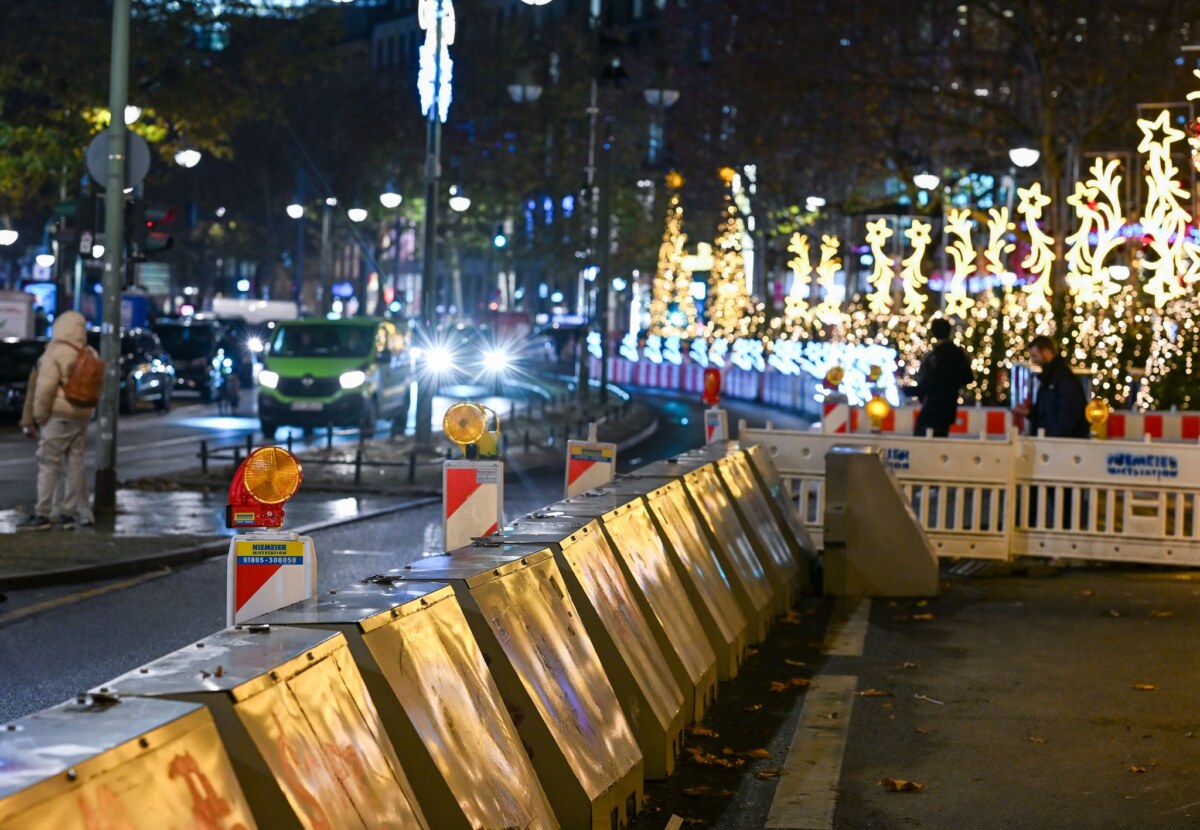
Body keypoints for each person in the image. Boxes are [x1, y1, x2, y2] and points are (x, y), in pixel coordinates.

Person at [17, 311, 98, 531]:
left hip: (59, 415)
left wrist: (39, 415)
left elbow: (45, 388)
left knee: (48, 463)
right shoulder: (89, 352)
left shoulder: (55, 351)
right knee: (75, 463)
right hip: (82, 415)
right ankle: (68, 513)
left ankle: (42, 513)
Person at [908, 317, 974, 437]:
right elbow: (968, 378)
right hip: (949, 406)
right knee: (940, 440)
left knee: (921, 439)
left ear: (933, 332)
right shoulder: (958, 353)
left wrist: (909, 391)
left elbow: (928, 384)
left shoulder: (934, 355)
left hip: (931, 406)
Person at [1025, 334, 1088, 438]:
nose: (1033, 361)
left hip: (1059, 443)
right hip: (1050, 441)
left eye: (1034, 356)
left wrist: (1056, 440)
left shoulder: (1064, 379)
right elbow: (1047, 412)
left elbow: (1068, 416)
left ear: (1046, 352)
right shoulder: (1048, 379)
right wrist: (1030, 413)